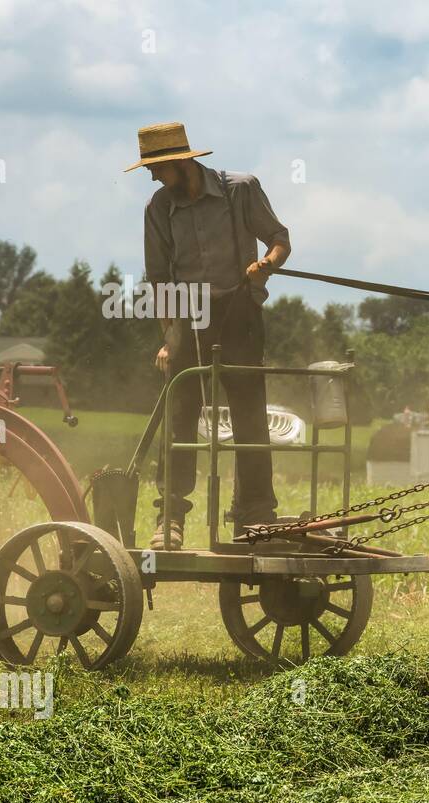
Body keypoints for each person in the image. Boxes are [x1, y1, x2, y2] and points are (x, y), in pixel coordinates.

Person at [127, 121, 291, 548]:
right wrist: (169, 339)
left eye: (157, 168)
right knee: (181, 414)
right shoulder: (158, 209)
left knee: (250, 416)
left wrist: (266, 265)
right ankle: (171, 517)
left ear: (182, 162)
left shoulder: (241, 190)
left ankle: (254, 514)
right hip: (190, 314)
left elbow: (279, 239)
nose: (152, 175)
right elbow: (160, 281)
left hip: (240, 311)